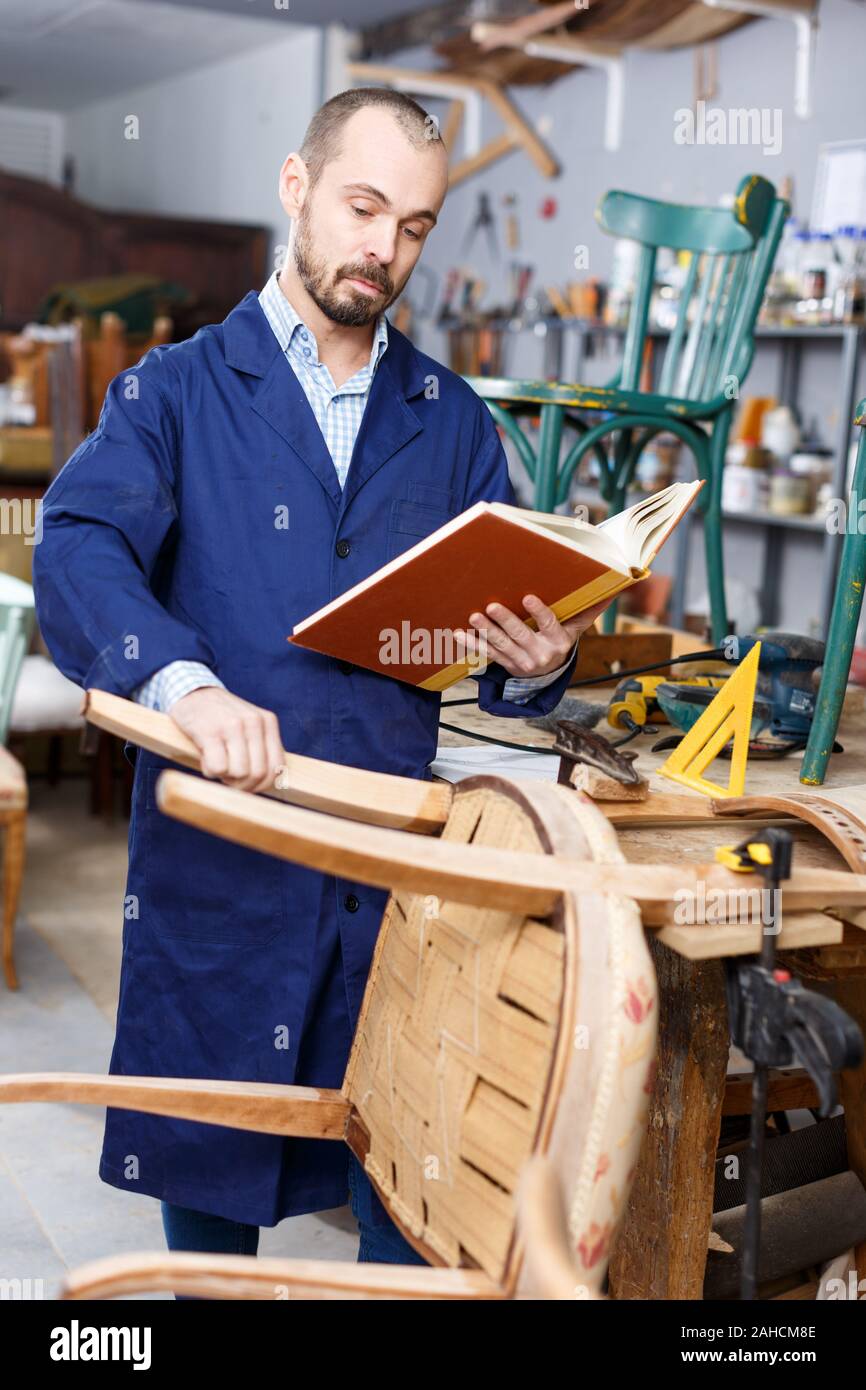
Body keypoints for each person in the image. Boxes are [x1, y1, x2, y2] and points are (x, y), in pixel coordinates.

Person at [34, 87, 606, 1278]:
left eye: (412, 225)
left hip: (392, 869)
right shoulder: (174, 389)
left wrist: (538, 666)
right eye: (361, 208)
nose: (383, 249)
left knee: (411, 1167)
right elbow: (78, 545)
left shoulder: (450, 420)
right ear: (294, 187)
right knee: (209, 1158)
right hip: (221, 845)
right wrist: (183, 685)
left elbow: (486, 652)